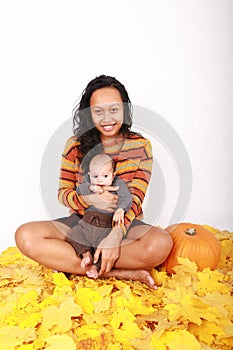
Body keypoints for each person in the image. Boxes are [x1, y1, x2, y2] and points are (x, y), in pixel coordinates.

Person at [15, 75, 173, 289]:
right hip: (83, 223)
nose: (107, 118)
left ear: (125, 110)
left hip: (123, 225)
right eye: (99, 111)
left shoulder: (141, 146)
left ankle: (80, 261)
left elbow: (136, 198)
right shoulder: (74, 145)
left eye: (114, 109)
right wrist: (90, 200)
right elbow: (63, 193)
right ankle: (122, 272)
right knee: (25, 236)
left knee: (160, 244)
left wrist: (116, 234)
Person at [66, 152, 132, 279]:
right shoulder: (88, 183)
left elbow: (127, 198)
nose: (100, 180)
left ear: (114, 175)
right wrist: (91, 187)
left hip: (106, 225)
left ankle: (96, 267)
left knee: (103, 247)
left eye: (105, 176)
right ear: (89, 175)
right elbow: (79, 190)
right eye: (95, 176)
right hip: (87, 222)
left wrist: (120, 209)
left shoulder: (118, 184)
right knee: (73, 234)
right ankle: (86, 254)